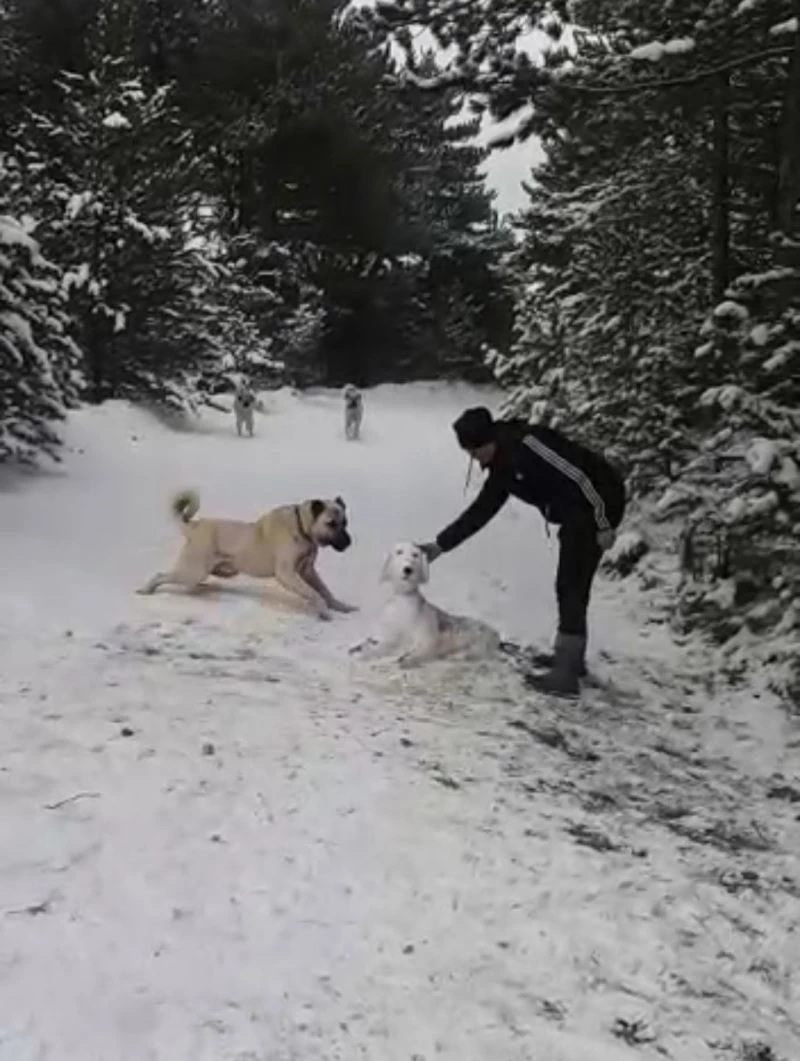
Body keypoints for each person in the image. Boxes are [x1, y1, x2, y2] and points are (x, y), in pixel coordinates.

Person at [418, 407, 626, 697]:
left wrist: (603, 524)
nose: (473, 458)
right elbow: (482, 511)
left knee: (571, 583)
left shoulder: (529, 445)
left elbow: (582, 476)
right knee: (571, 584)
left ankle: (566, 675)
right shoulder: (502, 466)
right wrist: (440, 545)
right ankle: (570, 661)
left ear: (487, 441)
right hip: (576, 511)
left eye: (474, 451)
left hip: (599, 503)